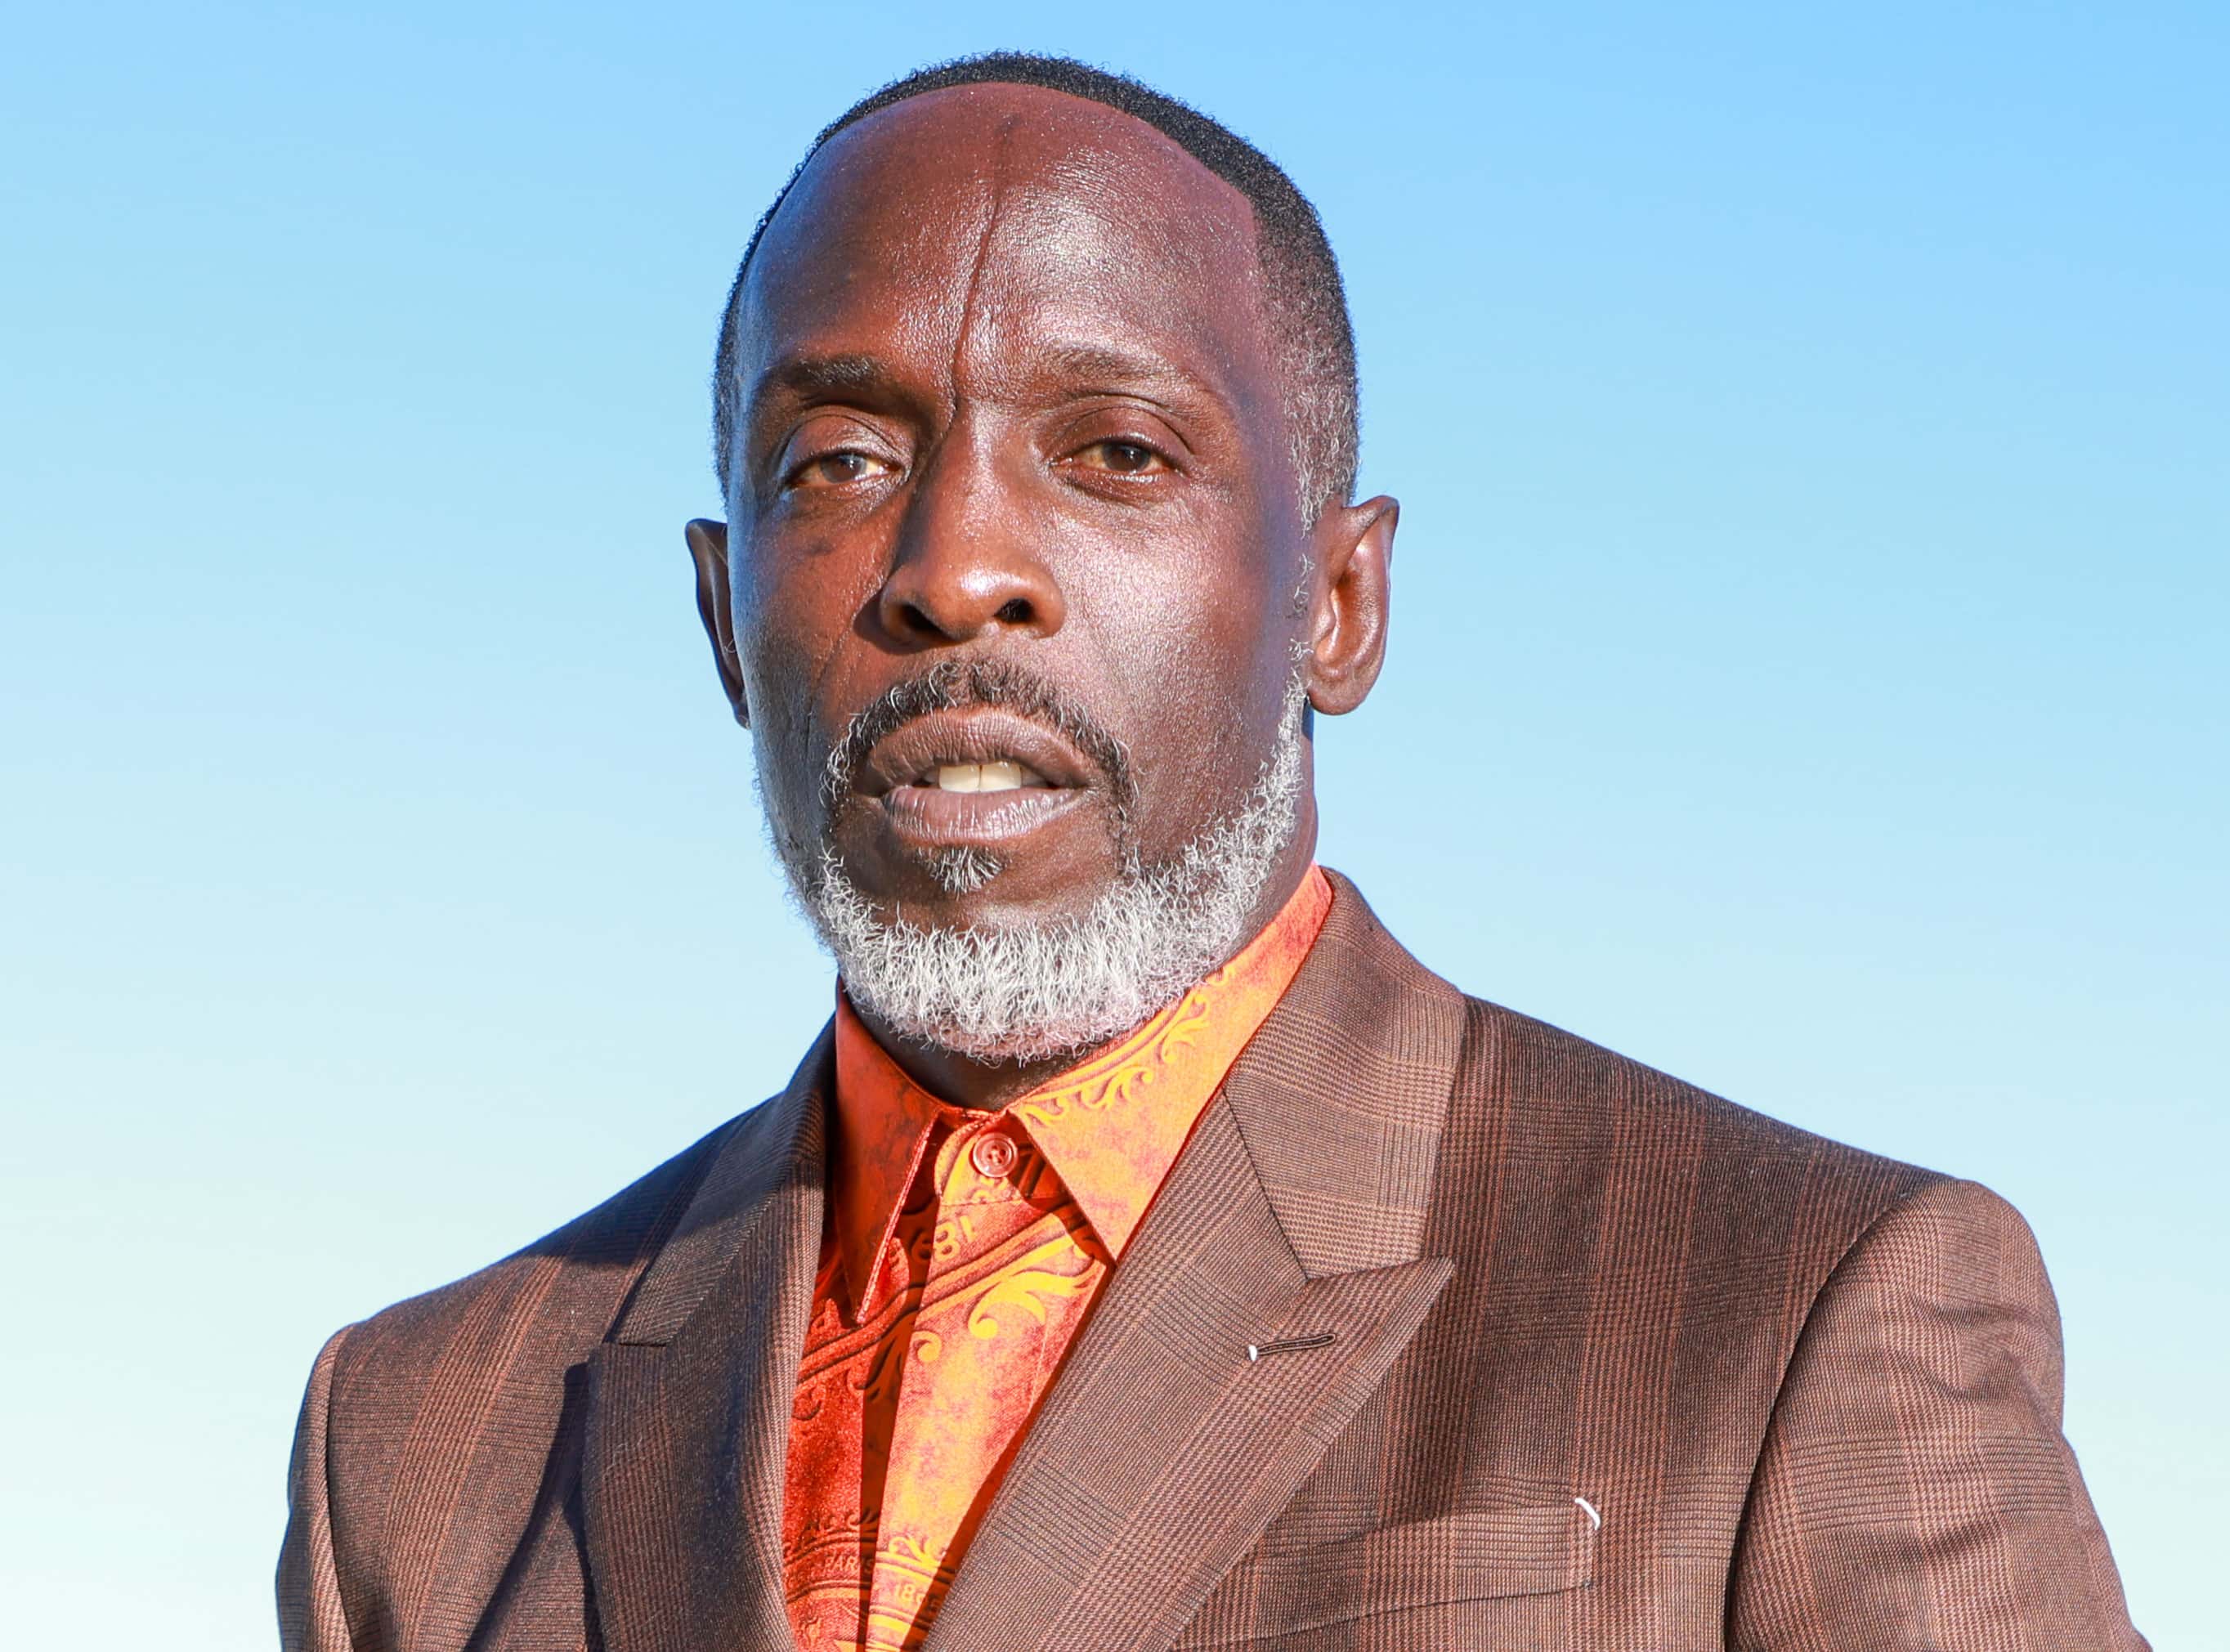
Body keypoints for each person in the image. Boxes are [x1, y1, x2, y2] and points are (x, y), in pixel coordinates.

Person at [276, 53, 2146, 1652]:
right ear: (718, 614)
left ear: (1337, 599)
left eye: (1113, 452)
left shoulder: (1798, 1307)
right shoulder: (425, 1437)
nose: (952, 569)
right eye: (838, 461)